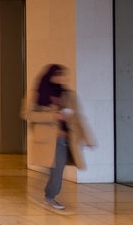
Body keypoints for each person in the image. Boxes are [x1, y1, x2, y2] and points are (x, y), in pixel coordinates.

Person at [24, 64, 94, 211]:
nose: (61, 78)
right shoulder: (37, 94)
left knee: (57, 169)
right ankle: (50, 195)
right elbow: (28, 114)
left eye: (63, 75)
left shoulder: (68, 95)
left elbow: (78, 117)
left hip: (63, 140)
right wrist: (52, 116)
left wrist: (87, 138)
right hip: (46, 140)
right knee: (54, 168)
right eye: (58, 75)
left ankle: (50, 195)